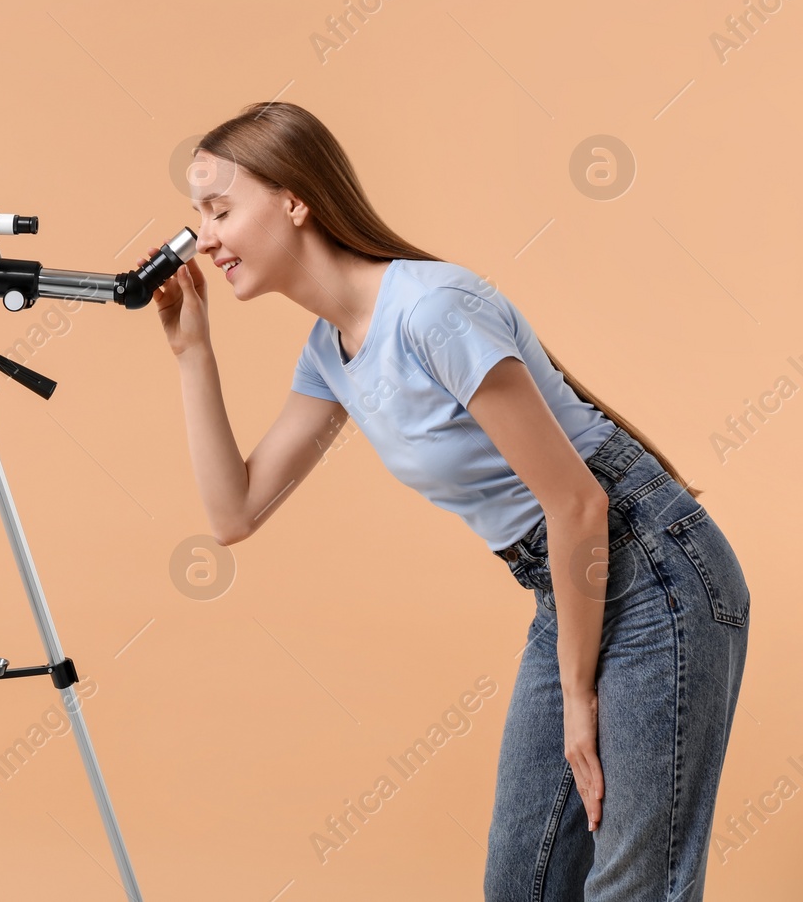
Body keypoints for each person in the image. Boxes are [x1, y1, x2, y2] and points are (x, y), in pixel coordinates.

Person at [145, 101, 750, 901]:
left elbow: (576, 504)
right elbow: (235, 514)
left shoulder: (430, 309)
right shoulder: (332, 352)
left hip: (652, 572)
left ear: (294, 200)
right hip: (568, 582)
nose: (206, 237)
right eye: (198, 217)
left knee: (632, 886)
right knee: (522, 885)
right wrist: (193, 351)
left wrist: (579, 699)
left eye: (219, 210)